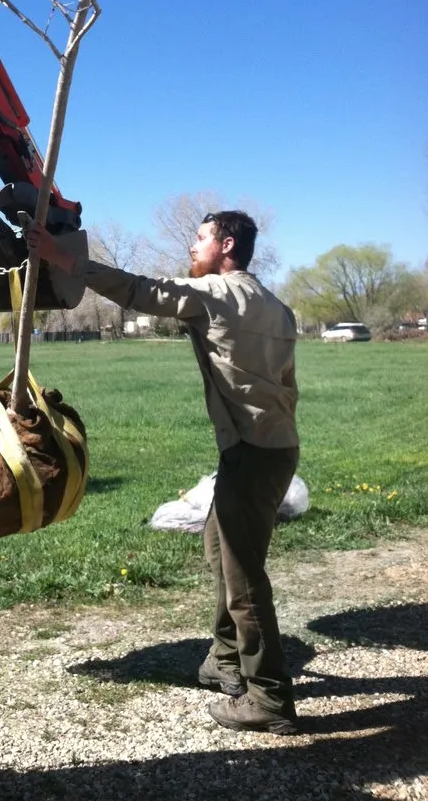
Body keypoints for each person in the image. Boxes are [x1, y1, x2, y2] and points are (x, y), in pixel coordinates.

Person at [27, 211, 300, 735]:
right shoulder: (276, 305)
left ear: (225, 244)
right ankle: (225, 661)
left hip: (251, 452)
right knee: (221, 547)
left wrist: (67, 259)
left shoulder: (217, 293)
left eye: (199, 239)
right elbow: (286, 384)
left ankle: (268, 697)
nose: (191, 249)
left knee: (243, 580)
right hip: (275, 448)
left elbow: (140, 291)